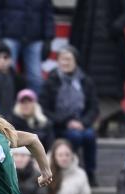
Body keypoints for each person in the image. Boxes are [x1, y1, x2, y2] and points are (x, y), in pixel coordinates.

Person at [70, 0, 125, 137]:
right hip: (90, 49)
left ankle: (111, 119)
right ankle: (112, 118)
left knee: (108, 91)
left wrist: (116, 27)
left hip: (112, 49)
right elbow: (79, 17)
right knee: (92, 89)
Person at [41, 46, 100, 186]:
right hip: (59, 125)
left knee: (89, 136)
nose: (65, 63)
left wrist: (83, 122)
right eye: (62, 59)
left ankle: (90, 173)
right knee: (75, 136)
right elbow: (43, 108)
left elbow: (94, 107)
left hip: (81, 122)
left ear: (76, 61)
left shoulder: (85, 80)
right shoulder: (51, 80)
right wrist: (66, 121)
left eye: (68, 59)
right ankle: (71, 170)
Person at [0, 0, 54, 95]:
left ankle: (35, 107)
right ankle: (7, 106)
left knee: (35, 78)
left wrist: (48, 38)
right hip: (9, 35)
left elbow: (48, 12)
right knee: (6, 76)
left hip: (34, 37)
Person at [11, 89, 55, 153]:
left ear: (35, 104)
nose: (26, 105)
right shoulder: (11, 123)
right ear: (18, 105)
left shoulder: (45, 124)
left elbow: (50, 146)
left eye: (29, 101)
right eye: (23, 102)